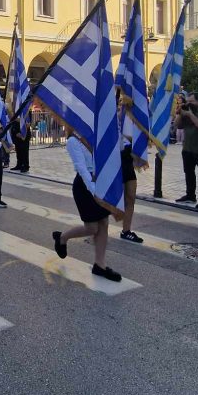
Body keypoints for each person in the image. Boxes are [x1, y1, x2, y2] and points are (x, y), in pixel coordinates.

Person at [51, 128, 123, 282]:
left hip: (100, 182)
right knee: (92, 227)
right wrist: (93, 189)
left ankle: (100, 265)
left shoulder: (93, 134)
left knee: (104, 223)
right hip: (85, 187)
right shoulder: (73, 141)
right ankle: (62, 238)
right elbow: (81, 168)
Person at [118, 114, 143, 243]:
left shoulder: (132, 119)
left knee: (131, 197)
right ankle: (98, 227)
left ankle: (126, 231)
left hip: (128, 158)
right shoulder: (113, 117)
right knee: (115, 198)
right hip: (116, 158)